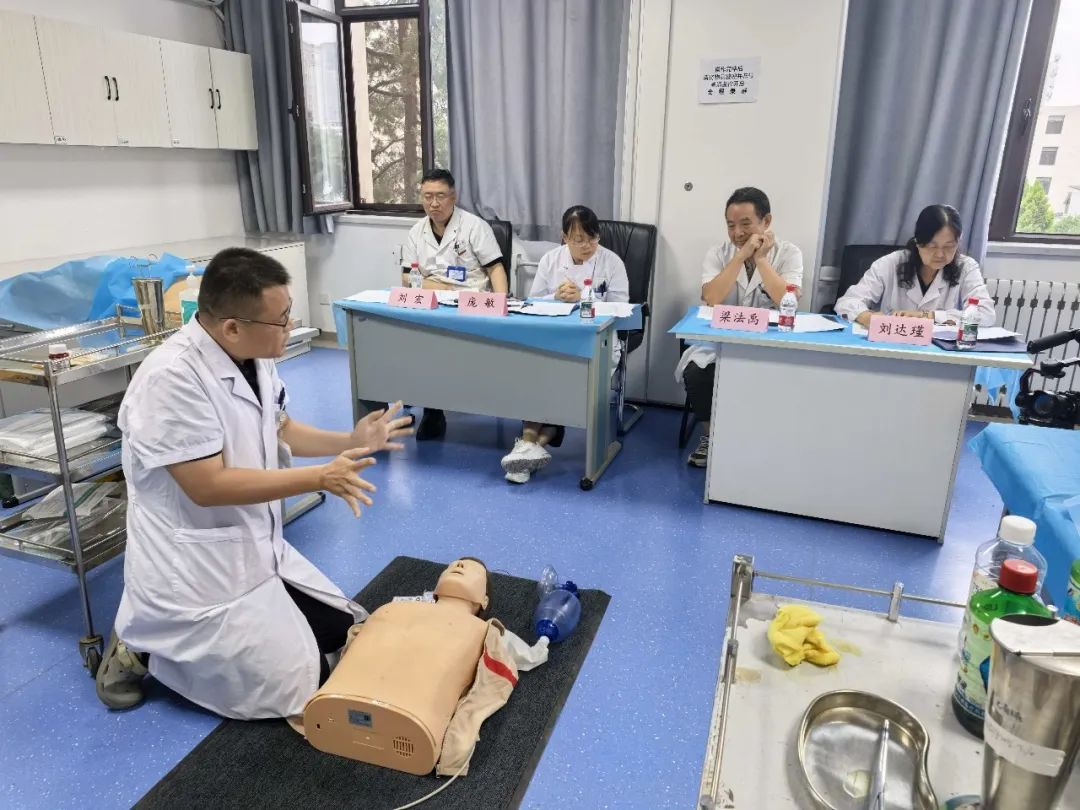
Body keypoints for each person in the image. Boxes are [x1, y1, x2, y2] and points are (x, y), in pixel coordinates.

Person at [95, 247, 413, 719]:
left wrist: (351, 439)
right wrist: (319, 477)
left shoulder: (254, 354)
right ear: (232, 327)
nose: (290, 325)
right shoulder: (171, 380)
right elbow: (207, 486)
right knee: (304, 685)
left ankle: (159, 637)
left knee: (343, 632)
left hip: (251, 546)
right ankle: (139, 645)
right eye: (281, 320)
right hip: (195, 571)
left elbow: (279, 427)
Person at [499, 205, 629, 484]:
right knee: (537, 375)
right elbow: (533, 302)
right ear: (564, 237)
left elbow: (622, 309)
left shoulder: (612, 262)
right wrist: (555, 297)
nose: (587, 245)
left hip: (599, 342)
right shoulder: (551, 260)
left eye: (592, 238)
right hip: (555, 338)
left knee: (565, 383)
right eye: (578, 239)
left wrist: (585, 297)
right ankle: (533, 445)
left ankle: (527, 446)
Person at [675, 187, 804, 467]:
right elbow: (711, 297)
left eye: (746, 224)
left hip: (770, 342)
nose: (737, 233)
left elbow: (787, 301)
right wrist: (739, 257)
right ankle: (710, 437)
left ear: (766, 221)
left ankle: (757, 439)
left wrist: (760, 260)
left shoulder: (789, 253)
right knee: (697, 371)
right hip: (719, 340)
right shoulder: (718, 253)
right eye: (730, 225)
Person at [400, 168, 509, 441]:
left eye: (440, 196)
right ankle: (433, 410)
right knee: (417, 344)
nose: (433, 203)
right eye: (427, 197)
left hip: (471, 304)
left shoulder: (474, 227)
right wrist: (442, 288)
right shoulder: (416, 232)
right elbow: (407, 277)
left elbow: (495, 268)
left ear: (453, 197)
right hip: (431, 305)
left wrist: (501, 304)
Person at [835, 204, 995, 328]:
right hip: (891, 345)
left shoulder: (966, 267)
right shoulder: (891, 263)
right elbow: (847, 302)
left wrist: (928, 316)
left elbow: (986, 314)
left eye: (948, 246)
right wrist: (867, 317)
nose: (940, 254)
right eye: (932, 246)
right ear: (918, 242)